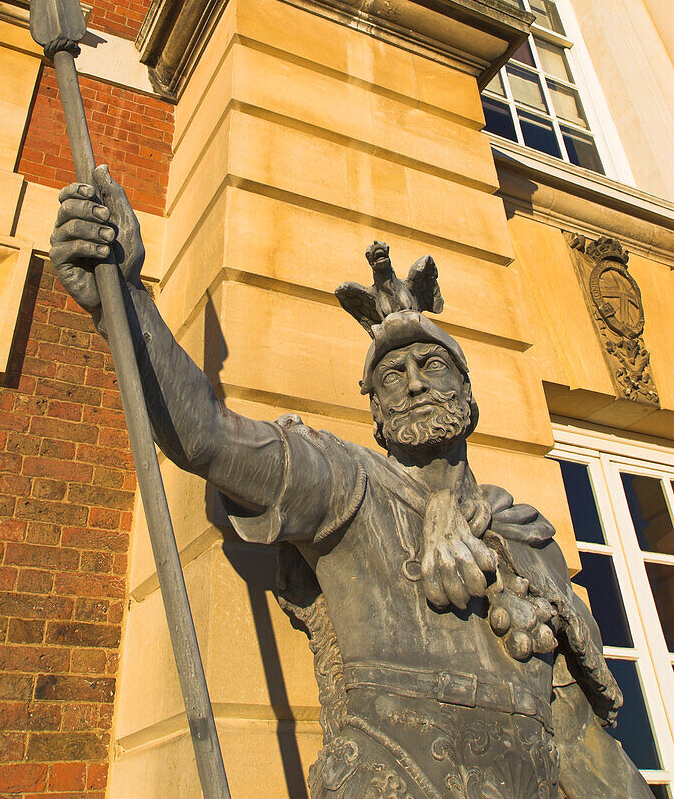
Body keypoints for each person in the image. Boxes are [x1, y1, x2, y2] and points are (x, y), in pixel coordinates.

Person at [50, 167, 654, 799]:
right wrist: (123, 298)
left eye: (430, 365)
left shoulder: (526, 543)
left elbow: (586, 752)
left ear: (468, 395)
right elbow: (205, 435)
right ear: (377, 413)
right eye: (390, 375)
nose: (414, 383)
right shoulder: (347, 484)